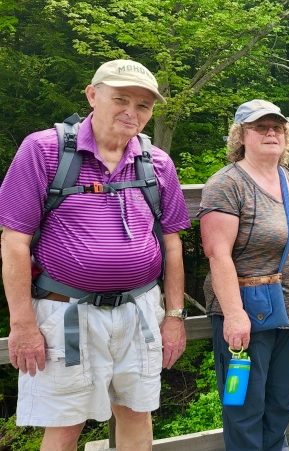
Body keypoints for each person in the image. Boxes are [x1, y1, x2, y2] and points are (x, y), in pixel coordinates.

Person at [0, 59, 190, 449]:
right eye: (120, 99)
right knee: (65, 423)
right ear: (92, 94)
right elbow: (14, 241)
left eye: (143, 106)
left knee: (137, 412)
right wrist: (21, 324)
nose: (131, 112)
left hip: (139, 310)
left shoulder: (157, 163)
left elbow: (172, 243)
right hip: (65, 311)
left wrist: (174, 316)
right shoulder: (44, 150)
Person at [199, 100, 289, 450]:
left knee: (281, 402)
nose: (271, 133)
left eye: (277, 127)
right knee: (244, 408)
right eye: (260, 127)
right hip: (245, 314)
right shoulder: (227, 184)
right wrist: (234, 316)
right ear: (241, 136)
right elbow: (217, 254)